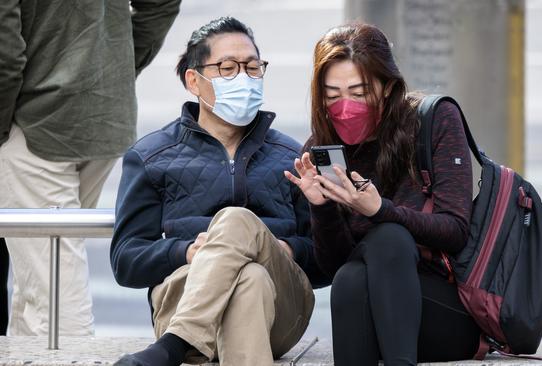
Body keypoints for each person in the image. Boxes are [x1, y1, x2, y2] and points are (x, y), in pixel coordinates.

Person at [110, 17, 327, 366]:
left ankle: (173, 346)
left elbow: (325, 261)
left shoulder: (292, 158)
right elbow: (126, 261)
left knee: (239, 224)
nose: (243, 78)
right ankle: (184, 335)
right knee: (249, 278)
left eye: (253, 67)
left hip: (281, 310)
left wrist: (287, 249)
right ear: (193, 80)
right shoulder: (151, 157)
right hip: (183, 296)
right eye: (227, 68)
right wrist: (184, 252)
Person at [285, 23, 482, 365]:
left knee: (388, 236)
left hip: (446, 308)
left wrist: (380, 210)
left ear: (388, 87)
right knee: (349, 278)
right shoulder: (322, 149)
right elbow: (334, 267)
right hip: (372, 311)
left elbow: (455, 230)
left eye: (359, 93)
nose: (345, 106)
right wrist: (323, 209)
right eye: (333, 96)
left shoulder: (434, 121)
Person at [0, 0, 181, 336]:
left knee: (53, 291)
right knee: (42, 278)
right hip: (99, 113)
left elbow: (5, 54)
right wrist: (113, 68)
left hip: (37, 121)